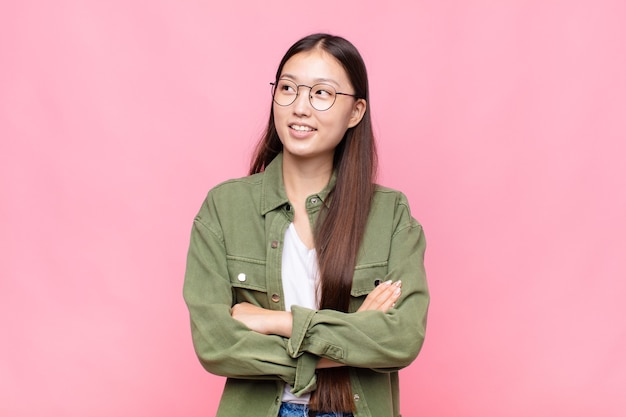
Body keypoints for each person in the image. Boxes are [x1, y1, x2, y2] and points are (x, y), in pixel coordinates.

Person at [183, 33, 429, 417]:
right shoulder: (224, 208)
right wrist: (353, 335)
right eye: (288, 88)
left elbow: (400, 340)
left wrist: (274, 321)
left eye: (321, 93)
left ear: (355, 111)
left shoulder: (390, 214)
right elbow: (216, 345)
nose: (300, 107)